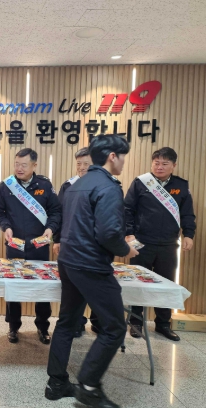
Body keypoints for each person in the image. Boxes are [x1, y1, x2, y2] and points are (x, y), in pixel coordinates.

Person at [46, 135, 139, 408]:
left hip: (69, 262)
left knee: (66, 322)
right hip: (90, 264)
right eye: (123, 156)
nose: (123, 162)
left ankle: (56, 384)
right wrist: (125, 249)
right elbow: (109, 233)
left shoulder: (79, 184)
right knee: (115, 327)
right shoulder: (108, 187)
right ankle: (88, 387)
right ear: (112, 156)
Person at [125, 147, 196, 341]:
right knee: (138, 282)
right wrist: (129, 233)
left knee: (166, 284)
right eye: (156, 163)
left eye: (165, 163)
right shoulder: (141, 182)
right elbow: (127, 209)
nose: (160, 167)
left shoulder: (181, 185)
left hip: (168, 244)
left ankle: (163, 324)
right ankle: (136, 321)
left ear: (174, 165)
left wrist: (189, 235)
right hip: (141, 242)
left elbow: (187, 213)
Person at [0, 148, 61, 345]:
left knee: (42, 288)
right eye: (16, 164)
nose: (19, 168)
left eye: (23, 165)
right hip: (15, 245)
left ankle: (42, 327)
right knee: (13, 287)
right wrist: (5, 227)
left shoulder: (44, 185)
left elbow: (56, 211)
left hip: (39, 246)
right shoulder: (7, 186)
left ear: (34, 165)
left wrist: (50, 229)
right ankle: (13, 326)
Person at [53, 147, 100, 338]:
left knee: (96, 285)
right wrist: (57, 240)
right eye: (78, 164)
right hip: (71, 245)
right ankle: (76, 322)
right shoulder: (68, 185)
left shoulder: (104, 186)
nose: (81, 167)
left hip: (95, 246)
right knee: (72, 286)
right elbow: (59, 214)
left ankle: (98, 322)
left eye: (86, 164)